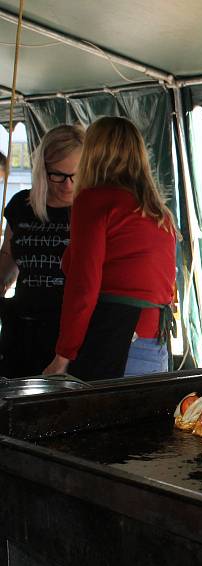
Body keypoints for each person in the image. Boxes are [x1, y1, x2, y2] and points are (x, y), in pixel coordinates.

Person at [43, 116, 177, 381]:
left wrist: (63, 355)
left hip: (117, 339)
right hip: (154, 343)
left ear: (92, 153)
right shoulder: (158, 212)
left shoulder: (94, 200)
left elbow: (83, 285)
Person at [0, 125, 84, 378]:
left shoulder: (91, 211)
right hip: (20, 328)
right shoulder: (21, 205)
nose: (68, 185)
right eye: (57, 175)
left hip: (67, 337)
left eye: (76, 175)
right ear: (41, 170)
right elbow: (8, 257)